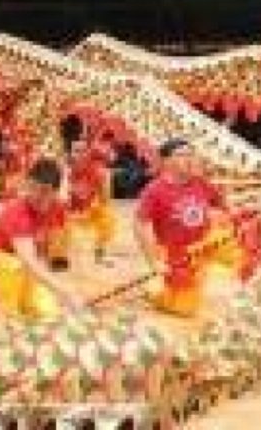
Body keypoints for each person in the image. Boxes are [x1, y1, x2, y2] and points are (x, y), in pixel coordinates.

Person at [135, 139, 245, 317]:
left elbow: (226, 205)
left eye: (191, 154)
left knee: (248, 254)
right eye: (181, 155)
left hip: (208, 242)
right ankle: (157, 293)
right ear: (166, 161)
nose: (189, 159)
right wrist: (154, 263)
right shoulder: (154, 190)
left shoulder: (201, 182)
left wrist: (241, 216)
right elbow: (140, 225)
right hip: (178, 254)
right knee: (183, 310)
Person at [0, 159, 82, 320]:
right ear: (27, 184)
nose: (35, 195)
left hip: (24, 264)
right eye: (32, 188)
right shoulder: (17, 211)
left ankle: (10, 298)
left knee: (47, 311)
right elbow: (28, 260)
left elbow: (46, 250)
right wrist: (65, 291)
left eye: (44, 191)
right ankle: (1, 304)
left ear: (55, 192)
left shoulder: (58, 209)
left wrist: (56, 287)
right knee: (15, 269)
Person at [66, 135, 118, 265]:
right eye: (75, 151)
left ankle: (99, 254)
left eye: (82, 151)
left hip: (91, 210)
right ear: (71, 153)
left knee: (108, 220)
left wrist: (93, 205)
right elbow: (65, 197)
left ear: (88, 153)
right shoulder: (67, 171)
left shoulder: (99, 172)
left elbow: (105, 200)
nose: (78, 154)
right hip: (73, 212)